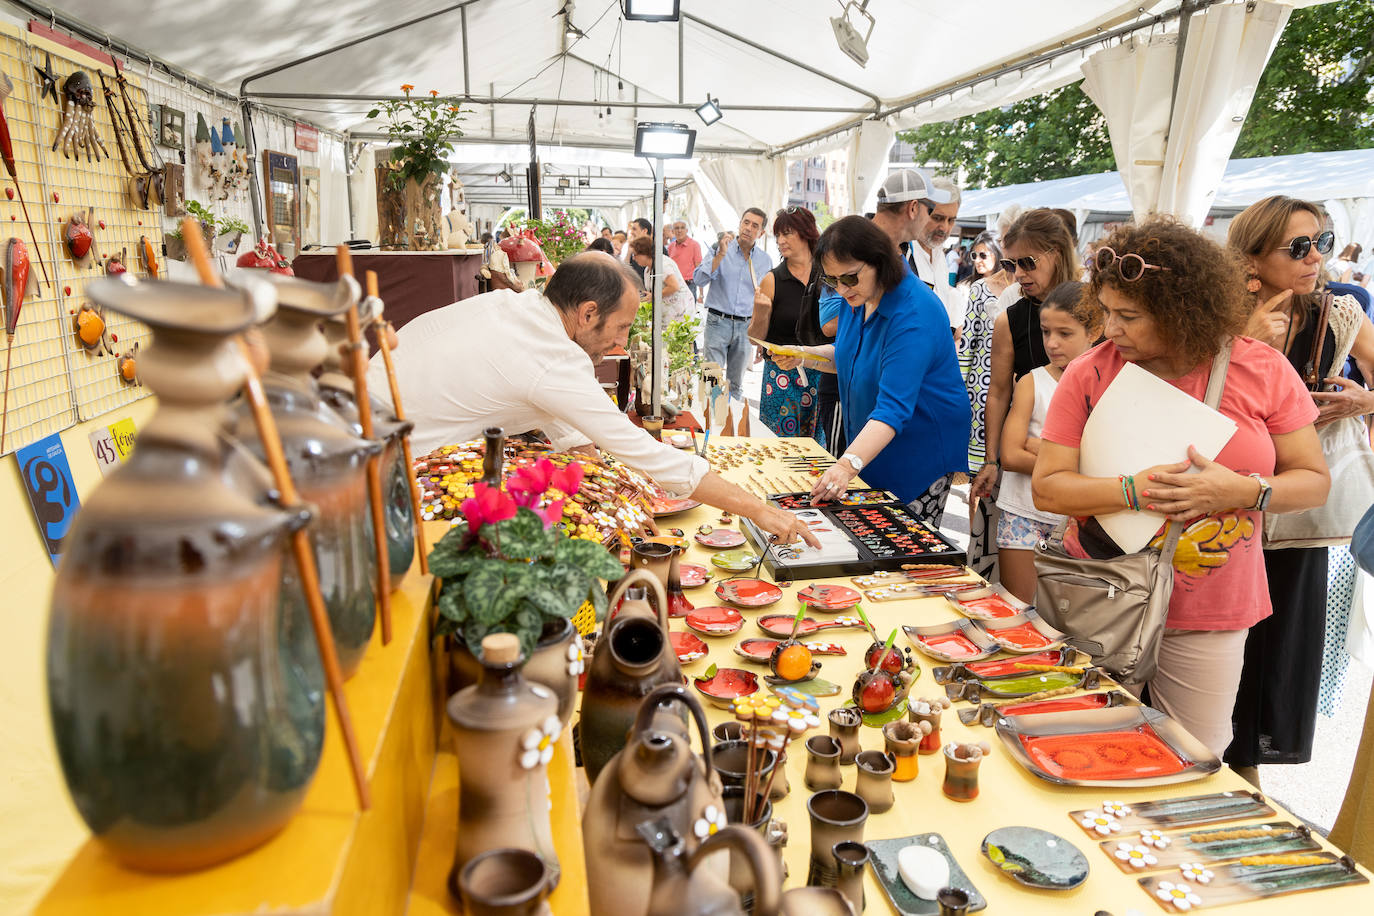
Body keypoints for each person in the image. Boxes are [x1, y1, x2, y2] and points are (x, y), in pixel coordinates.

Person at [1033, 217, 1330, 757]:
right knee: (1078, 748)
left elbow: (1313, 482)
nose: (1112, 329)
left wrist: (1242, 492)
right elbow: (1048, 489)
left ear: (1181, 310)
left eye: (1130, 316)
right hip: (1099, 591)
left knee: (1191, 758)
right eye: (1106, 312)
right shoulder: (1089, 371)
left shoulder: (1260, 368)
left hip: (1212, 610)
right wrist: (1132, 490)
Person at [364, 253, 819, 548]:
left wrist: (612, 498)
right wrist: (763, 512)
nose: (621, 343)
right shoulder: (551, 359)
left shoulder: (519, 309)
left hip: (370, 435)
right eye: (621, 328)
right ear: (586, 314)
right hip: (379, 472)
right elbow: (645, 454)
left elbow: (576, 436)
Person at [1224, 196, 1374, 784]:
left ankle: (1252, 774)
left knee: (1279, 645)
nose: (1316, 258)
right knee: (1221, 644)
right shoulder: (1216, 314)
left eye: (1323, 242)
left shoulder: (1340, 313)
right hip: (1224, 502)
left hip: (1298, 512)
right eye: (1300, 247)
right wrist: (1239, 338)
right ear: (1253, 258)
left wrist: (1362, 401)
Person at [776, 216, 970, 520]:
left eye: (849, 278)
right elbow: (850, 356)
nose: (841, 289)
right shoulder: (858, 296)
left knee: (902, 549)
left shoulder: (915, 311)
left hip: (920, 449)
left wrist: (846, 464)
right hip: (877, 441)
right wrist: (803, 355)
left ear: (879, 262)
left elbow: (894, 408)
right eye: (831, 280)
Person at [972, 209, 1081, 515]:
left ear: (1057, 254)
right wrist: (991, 459)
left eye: (1027, 262)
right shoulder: (1012, 318)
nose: (1018, 273)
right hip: (1022, 466)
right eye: (1011, 263)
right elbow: (998, 392)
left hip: (1082, 469)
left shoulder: (1096, 310)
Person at [997, 281, 1096, 603]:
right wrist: (1071, 464)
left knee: (1065, 617)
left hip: (1078, 521)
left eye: (1065, 334)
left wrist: (1041, 450)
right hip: (1023, 511)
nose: (1052, 343)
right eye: (1045, 332)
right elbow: (1010, 455)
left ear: (1094, 330)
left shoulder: (1108, 385)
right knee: (1018, 613)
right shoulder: (1032, 381)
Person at [959, 230, 1013, 581]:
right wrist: (960, 397)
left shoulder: (1026, 292)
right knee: (979, 479)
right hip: (981, 399)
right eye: (974, 256)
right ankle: (977, 543)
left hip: (1016, 397)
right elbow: (967, 346)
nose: (979, 262)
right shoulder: (978, 291)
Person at [749, 207, 821, 439]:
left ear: (806, 232)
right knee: (778, 447)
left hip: (821, 372)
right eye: (778, 234)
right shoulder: (772, 279)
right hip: (781, 377)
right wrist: (761, 312)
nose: (780, 240)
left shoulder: (828, 274)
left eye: (787, 233)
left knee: (818, 451)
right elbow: (754, 338)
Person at [694, 208, 771, 402]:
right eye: (746, 222)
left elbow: (767, 300)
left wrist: (763, 336)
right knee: (712, 379)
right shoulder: (719, 248)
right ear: (740, 224)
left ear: (761, 233)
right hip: (717, 321)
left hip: (746, 326)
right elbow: (699, 280)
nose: (748, 228)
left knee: (735, 384)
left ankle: (729, 427)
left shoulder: (765, 260)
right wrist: (720, 255)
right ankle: (709, 426)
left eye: (755, 226)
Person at [904, 176, 965, 339]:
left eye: (951, 220)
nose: (944, 227)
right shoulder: (902, 253)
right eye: (937, 218)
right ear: (917, 211)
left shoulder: (939, 255)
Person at [629, 236, 694, 323]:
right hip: (666, 312)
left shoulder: (663, 264)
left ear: (644, 253)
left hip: (679, 312)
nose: (633, 258)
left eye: (634, 254)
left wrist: (653, 296)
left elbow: (674, 286)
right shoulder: (648, 269)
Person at [668, 220, 703, 300]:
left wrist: (701, 294)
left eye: (682, 228)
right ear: (673, 231)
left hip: (689, 286)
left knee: (689, 312)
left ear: (686, 230)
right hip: (674, 286)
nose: (679, 230)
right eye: (677, 228)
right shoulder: (671, 247)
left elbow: (699, 269)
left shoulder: (695, 245)